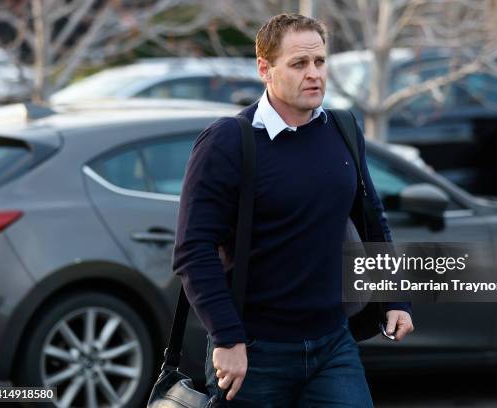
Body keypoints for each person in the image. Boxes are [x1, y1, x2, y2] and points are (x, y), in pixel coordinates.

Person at [173, 13, 413, 407]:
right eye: (299, 64)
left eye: (320, 62)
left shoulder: (343, 129)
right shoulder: (228, 142)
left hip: (334, 343)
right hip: (254, 352)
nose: (314, 73)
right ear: (265, 69)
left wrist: (395, 298)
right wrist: (227, 338)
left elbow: (372, 220)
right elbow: (193, 250)